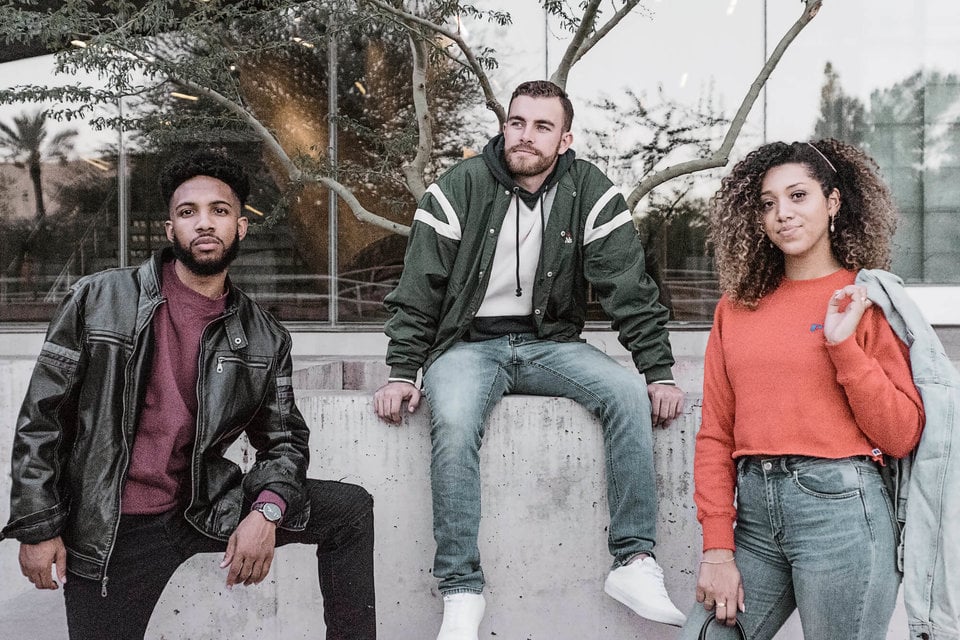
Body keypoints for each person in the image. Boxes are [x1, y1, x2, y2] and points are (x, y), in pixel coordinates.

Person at [1, 151, 377, 640]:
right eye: (188, 212)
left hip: (201, 507)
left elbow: (284, 441)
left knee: (349, 510)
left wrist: (267, 512)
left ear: (240, 227)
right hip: (112, 526)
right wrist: (38, 527)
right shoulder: (98, 299)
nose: (204, 223)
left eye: (219, 211)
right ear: (169, 229)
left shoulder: (264, 337)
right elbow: (41, 419)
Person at [373, 80, 687, 639]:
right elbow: (418, 287)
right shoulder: (459, 186)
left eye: (542, 127)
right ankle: (461, 591)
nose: (525, 135)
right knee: (454, 417)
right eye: (517, 122)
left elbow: (628, 287)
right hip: (467, 346)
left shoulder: (590, 190)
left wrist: (657, 372)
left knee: (624, 395)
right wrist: (403, 371)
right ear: (504, 126)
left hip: (550, 344)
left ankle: (635, 562)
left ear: (565, 139)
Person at [679, 139, 925, 639]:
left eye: (798, 196)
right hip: (752, 519)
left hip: (843, 514)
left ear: (832, 202)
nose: (782, 214)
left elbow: (901, 433)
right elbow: (715, 436)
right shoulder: (737, 307)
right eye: (768, 204)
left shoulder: (865, 298)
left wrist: (843, 347)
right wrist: (717, 549)